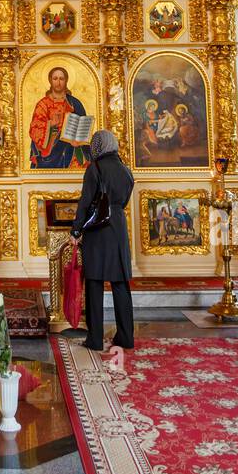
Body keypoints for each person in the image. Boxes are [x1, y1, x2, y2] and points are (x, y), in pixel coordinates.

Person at [63, 130, 135, 352]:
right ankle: (126, 337)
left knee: (94, 283)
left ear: (97, 147)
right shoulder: (125, 170)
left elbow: (85, 202)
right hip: (118, 226)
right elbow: (124, 200)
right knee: (120, 284)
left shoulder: (94, 168)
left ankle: (95, 339)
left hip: (98, 229)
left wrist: (76, 231)